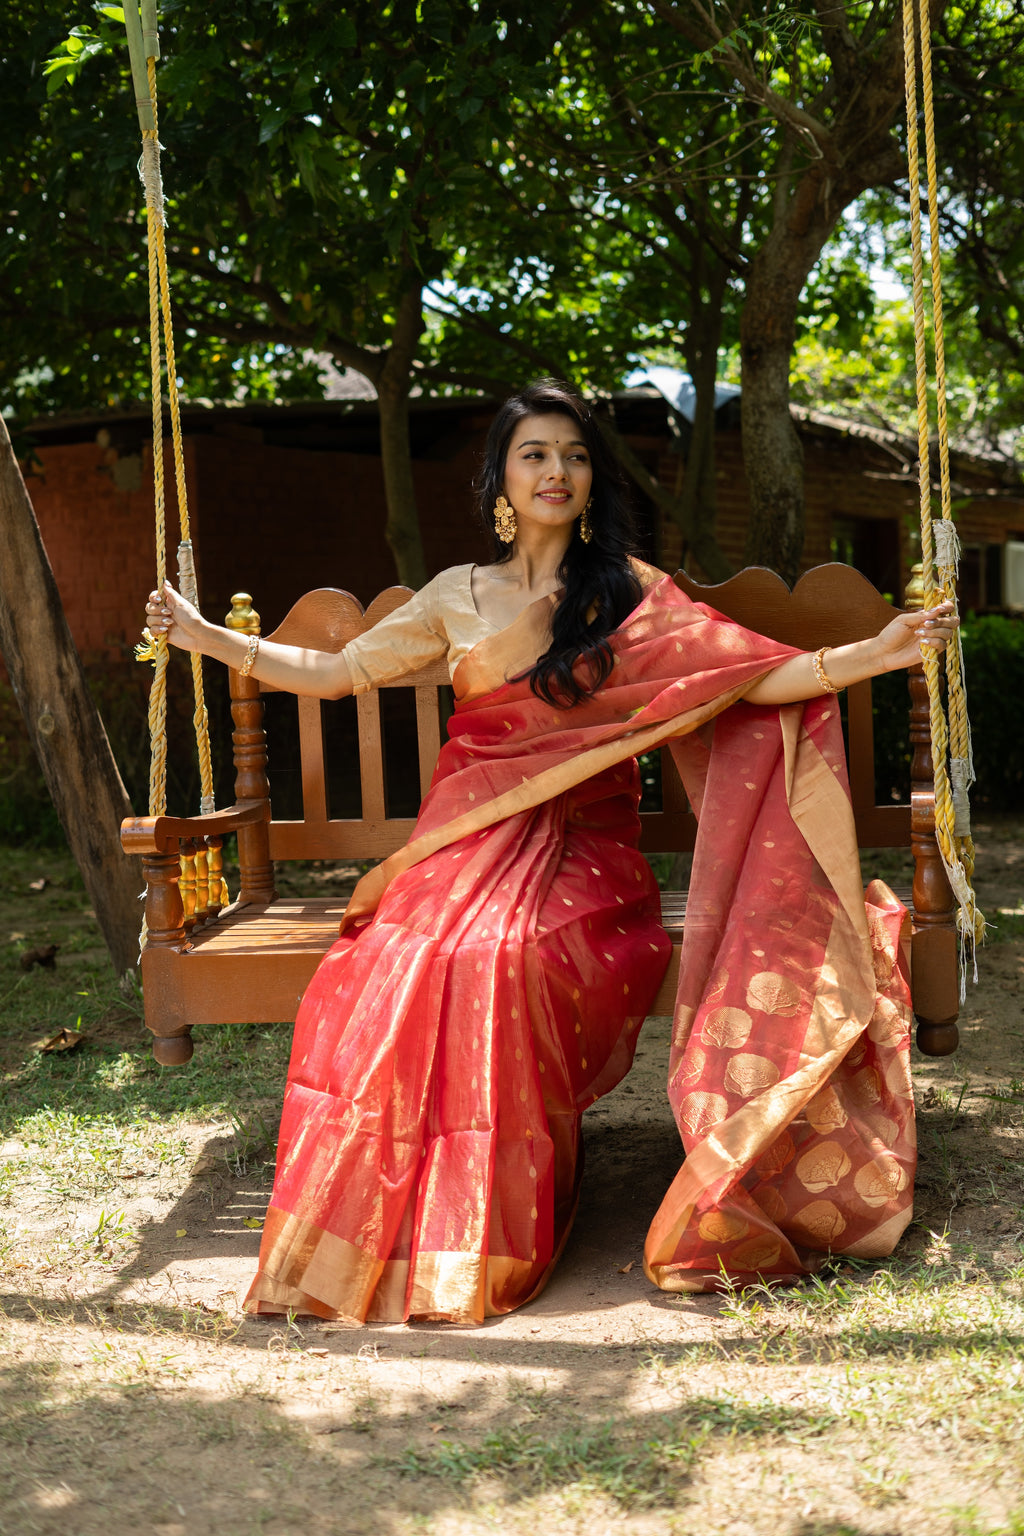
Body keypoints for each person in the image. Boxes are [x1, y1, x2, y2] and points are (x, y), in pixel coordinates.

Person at [145, 379, 958, 1324]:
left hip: (583, 848)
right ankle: (398, 1223)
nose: (557, 471)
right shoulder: (457, 596)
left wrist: (877, 654)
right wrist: (206, 638)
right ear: (501, 478)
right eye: (535, 453)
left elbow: (749, 676)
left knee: (503, 958)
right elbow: (335, 673)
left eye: (573, 455)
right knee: (397, 959)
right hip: (463, 845)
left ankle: (496, 1229)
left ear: (591, 479)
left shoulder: (631, 594)